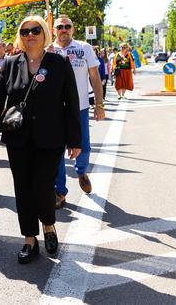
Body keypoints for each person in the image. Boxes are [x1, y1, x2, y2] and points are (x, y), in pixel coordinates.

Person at [0, 16, 81, 264]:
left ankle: (48, 225)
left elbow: (71, 102)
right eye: (25, 31)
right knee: (23, 188)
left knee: (43, 185)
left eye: (35, 30)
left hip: (51, 137)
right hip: (19, 138)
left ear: (44, 33)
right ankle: (29, 239)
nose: (30, 35)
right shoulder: (11, 63)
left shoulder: (58, 63)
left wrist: (74, 139)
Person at [52, 15, 105, 209]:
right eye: (60, 27)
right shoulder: (48, 50)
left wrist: (99, 105)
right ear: (53, 29)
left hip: (79, 108)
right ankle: (60, 191)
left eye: (68, 26)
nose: (64, 29)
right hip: (55, 110)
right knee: (56, 151)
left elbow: (95, 77)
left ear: (73, 29)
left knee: (83, 147)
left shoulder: (84, 48)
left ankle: (81, 171)